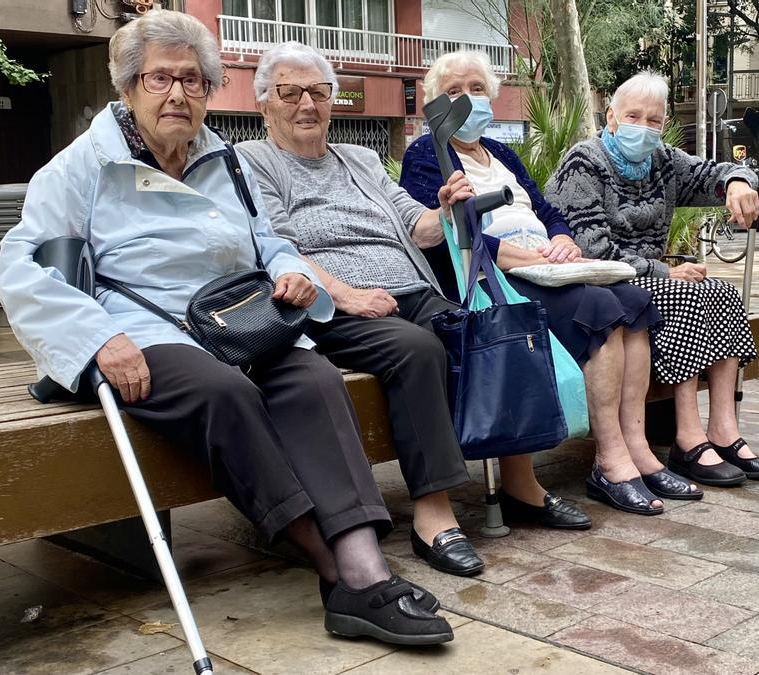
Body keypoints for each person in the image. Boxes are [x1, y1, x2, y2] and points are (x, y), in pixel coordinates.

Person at [0, 12, 452, 645]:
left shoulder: (224, 161)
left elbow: (268, 239)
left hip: (237, 319)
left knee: (315, 377)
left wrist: (291, 271)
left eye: (193, 80)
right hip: (134, 329)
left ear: (211, 91)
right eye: (160, 79)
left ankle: (363, 562)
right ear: (127, 87)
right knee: (227, 394)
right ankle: (343, 572)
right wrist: (96, 340)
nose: (178, 94)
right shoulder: (79, 170)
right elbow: (23, 271)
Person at [237, 43, 592, 577]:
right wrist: (348, 295)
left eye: (319, 91)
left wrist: (445, 207)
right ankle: (433, 514)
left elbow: (416, 226)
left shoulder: (357, 160)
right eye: (290, 92)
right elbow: (278, 247)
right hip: (329, 305)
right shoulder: (252, 162)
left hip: (408, 289)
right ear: (266, 103)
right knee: (419, 349)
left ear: (333, 101)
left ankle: (522, 484)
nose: (306, 104)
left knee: (485, 332)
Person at [401, 51, 696, 516]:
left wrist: (562, 241)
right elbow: (447, 239)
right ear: (436, 103)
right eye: (455, 92)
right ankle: (610, 459)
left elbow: (547, 211)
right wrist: (522, 257)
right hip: (494, 276)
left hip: (545, 264)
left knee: (634, 302)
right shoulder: (427, 154)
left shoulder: (501, 153)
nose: (469, 100)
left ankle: (637, 447)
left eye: (477, 89)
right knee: (598, 308)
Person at [544, 70, 759, 487]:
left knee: (722, 292)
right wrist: (663, 271)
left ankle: (724, 431)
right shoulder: (584, 161)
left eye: (654, 120)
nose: (644, 127)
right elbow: (593, 248)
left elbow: (711, 172)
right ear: (611, 117)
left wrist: (737, 181)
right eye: (633, 116)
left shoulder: (663, 161)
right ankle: (688, 440)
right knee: (682, 293)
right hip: (603, 282)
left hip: (649, 278)